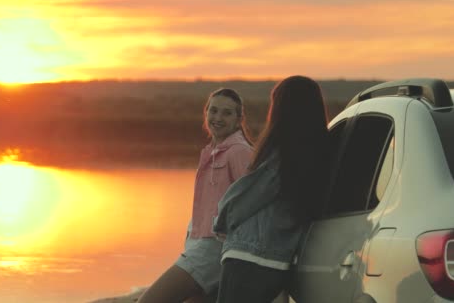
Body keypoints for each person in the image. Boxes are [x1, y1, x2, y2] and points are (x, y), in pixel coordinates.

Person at [212, 76, 331, 303]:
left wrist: (221, 220)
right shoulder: (322, 150)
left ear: (283, 109)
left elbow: (247, 196)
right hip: (280, 258)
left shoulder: (282, 154)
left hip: (248, 253)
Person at [138, 88, 254, 303]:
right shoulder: (212, 151)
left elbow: (253, 203)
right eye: (214, 110)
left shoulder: (239, 151)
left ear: (239, 120)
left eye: (227, 113)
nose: (218, 118)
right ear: (206, 113)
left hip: (214, 248)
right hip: (197, 243)